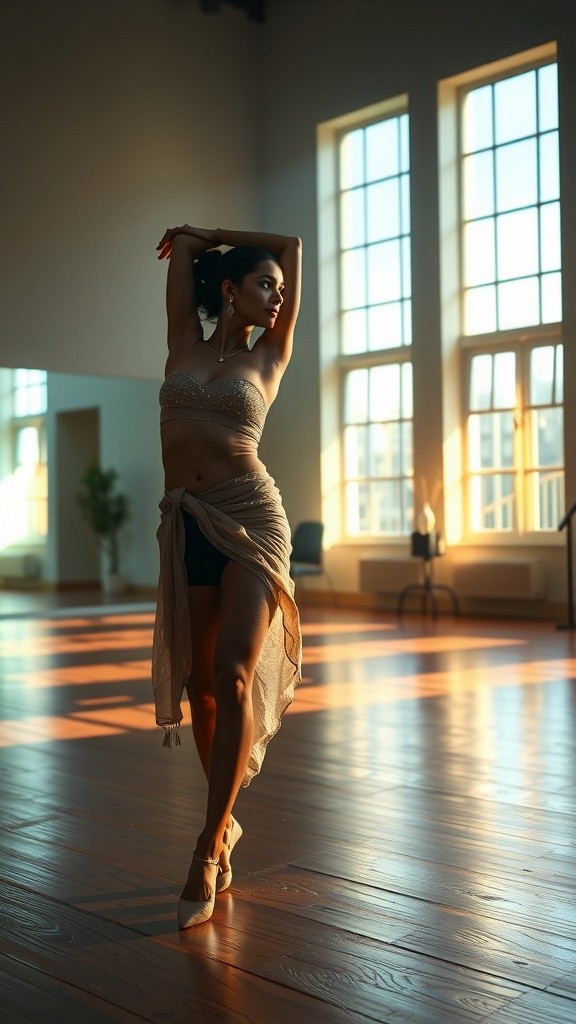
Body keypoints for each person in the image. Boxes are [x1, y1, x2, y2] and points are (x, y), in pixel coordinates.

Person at [151, 224, 302, 928]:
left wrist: (222, 235)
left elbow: (294, 244)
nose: (276, 298)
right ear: (228, 289)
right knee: (199, 689)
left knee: (233, 675)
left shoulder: (271, 354)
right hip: (188, 523)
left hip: (251, 521)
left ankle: (209, 847)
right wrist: (197, 239)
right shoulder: (183, 340)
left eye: (279, 289)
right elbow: (180, 249)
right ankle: (226, 823)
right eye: (262, 285)